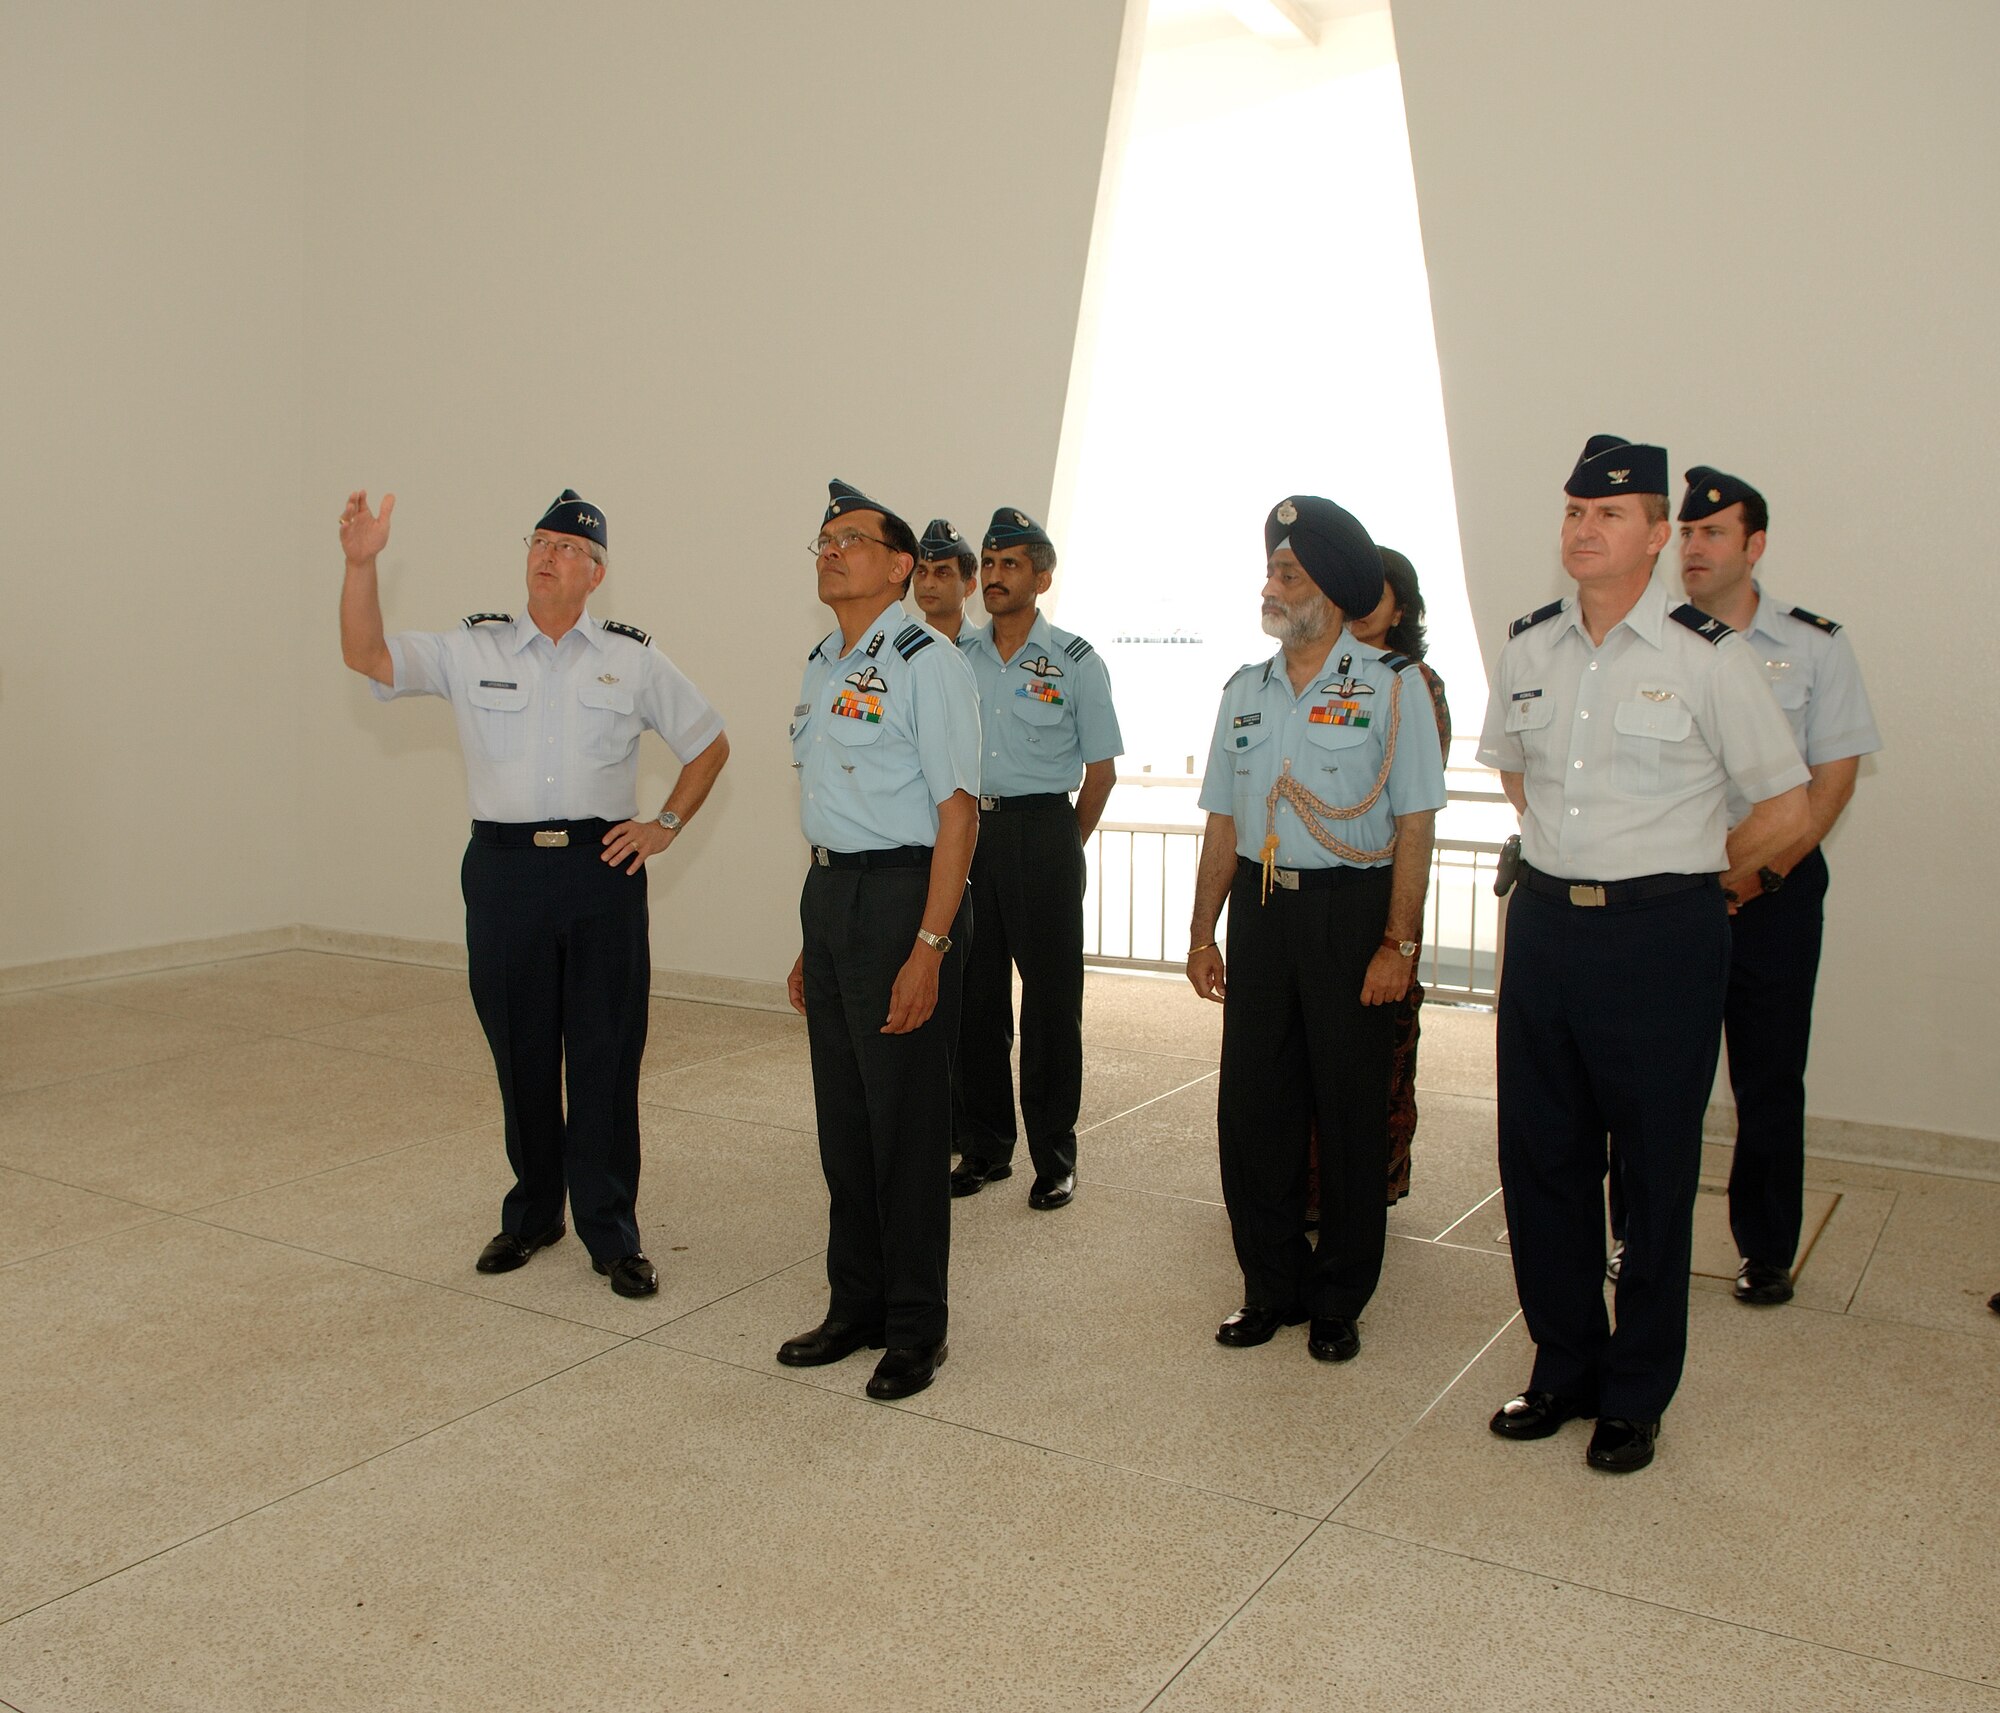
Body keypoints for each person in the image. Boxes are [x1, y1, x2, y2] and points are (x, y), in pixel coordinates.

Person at [1477, 436, 1809, 1474]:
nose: (1583, 529)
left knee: (1654, 1170)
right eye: (1573, 511)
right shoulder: (1527, 648)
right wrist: (1567, 863)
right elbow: (1515, 778)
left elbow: (1786, 807)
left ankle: (1633, 1392)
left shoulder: (1704, 657)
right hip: (1542, 928)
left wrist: (1695, 885)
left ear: (1656, 534)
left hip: (1660, 937)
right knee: (1541, 1156)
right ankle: (1562, 1365)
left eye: (1608, 514)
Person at [338, 487, 729, 1298]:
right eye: (539, 542)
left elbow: (709, 742)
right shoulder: (472, 649)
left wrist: (663, 823)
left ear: (596, 572)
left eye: (566, 548)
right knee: (519, 1049)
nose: (546, 556)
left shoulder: (632, 658)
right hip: (506, 872)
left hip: (601, 872)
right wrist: (361, 563)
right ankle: (532, 1214)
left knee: (605, 1053)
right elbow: (367, 654)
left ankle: (610, 1228)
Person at [1185, 496, 1445, 1364]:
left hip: (1350, 912)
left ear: (1329, 590)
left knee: (1347, 1108)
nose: (1271, 585)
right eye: (1271, 569)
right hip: (1262, 910)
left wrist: (1397, 945)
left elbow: (1414, 825)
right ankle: (1270, 1285)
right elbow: (1223, 822)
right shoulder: (1242, 692)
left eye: (1288, 573)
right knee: (1252, 1106)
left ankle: (1338, 1297)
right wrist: (1200, 932)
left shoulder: (1391, 686)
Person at [779, 480, 980, 1402]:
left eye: (851, 538)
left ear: (900, 566)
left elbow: (957, 813)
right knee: (845, 1120)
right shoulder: (824, 659)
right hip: (835, 897)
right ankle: (853, 1303)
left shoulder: (925, 660)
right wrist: (810, 936)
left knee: (904, 1127)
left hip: (905, 896)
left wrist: (929, 945)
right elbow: (830, 805)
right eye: (824, 538)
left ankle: (913, 1327)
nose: (830, 548)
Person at [949, 508, 1122, 1211]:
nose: (993, 576)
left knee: (1052, 1006)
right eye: (988, 564)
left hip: (1044, 832)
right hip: (971, 837)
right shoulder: (957, 660)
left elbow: (1102, 771)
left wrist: (1060, 846)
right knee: (977, 1001)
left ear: (1041, 577)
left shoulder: (1076, 662)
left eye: (1010, 564)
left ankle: (1054, 1156)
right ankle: (986, 1146)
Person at [1346, 547, 1451, 1206]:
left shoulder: (1415, 682)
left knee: (1379, 1051)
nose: (1358, 607)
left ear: (1400, 608)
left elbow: (1414, 801)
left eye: (1372, 594)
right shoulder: (1312, 674)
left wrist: (1399, 937)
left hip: (1381, 894)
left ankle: (1375, 1182)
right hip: (1313, 899)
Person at [910, 518, 980, 643]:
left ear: (970, 586)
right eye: (921, 572)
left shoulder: (986, 649)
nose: (928, 584)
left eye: (942, 573)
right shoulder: (902, 649)